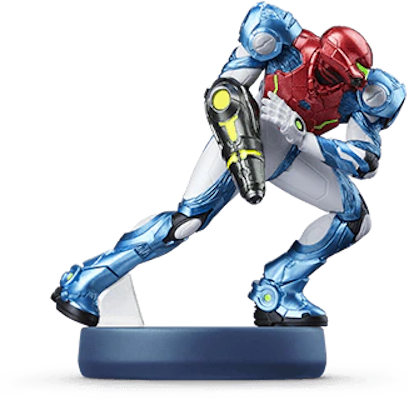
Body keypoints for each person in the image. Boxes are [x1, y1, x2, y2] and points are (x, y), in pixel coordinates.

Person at [51, 2, 405, 327]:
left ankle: (278, 290)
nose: (330, 86)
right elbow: (225, 92)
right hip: (247, 133)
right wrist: (242, 148)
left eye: (342, 81)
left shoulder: (368, 93)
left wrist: (304, 138)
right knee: (186, 222)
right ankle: (84, 282)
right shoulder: (284, 45)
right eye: (327, 73)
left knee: (354, 219)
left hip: (293, 151)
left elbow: (364, 160)